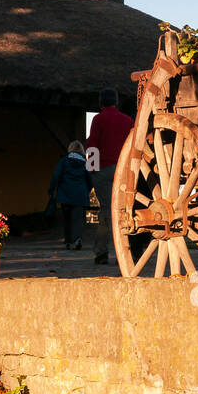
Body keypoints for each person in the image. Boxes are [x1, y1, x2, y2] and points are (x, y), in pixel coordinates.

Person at [86, 87, 133, 265]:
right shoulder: (127, 120)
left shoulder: (98, 119)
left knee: (106, 211)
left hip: (103, 170)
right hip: (123, 170)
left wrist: (91, 171)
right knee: (124, 210)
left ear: (100, 103)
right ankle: (126, 251)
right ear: (116, 102)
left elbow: (92, 144)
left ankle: (101, 252)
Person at [49, 140, 93, 249]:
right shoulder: (85, 162)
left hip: (65, 194)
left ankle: (68, 241)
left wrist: (51, 189)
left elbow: (56, 175)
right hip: (80, 195)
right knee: (78, 219)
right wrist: (88, 190)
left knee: (67, 218)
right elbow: (90, 179)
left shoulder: (64, 161)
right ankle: (77, 239)